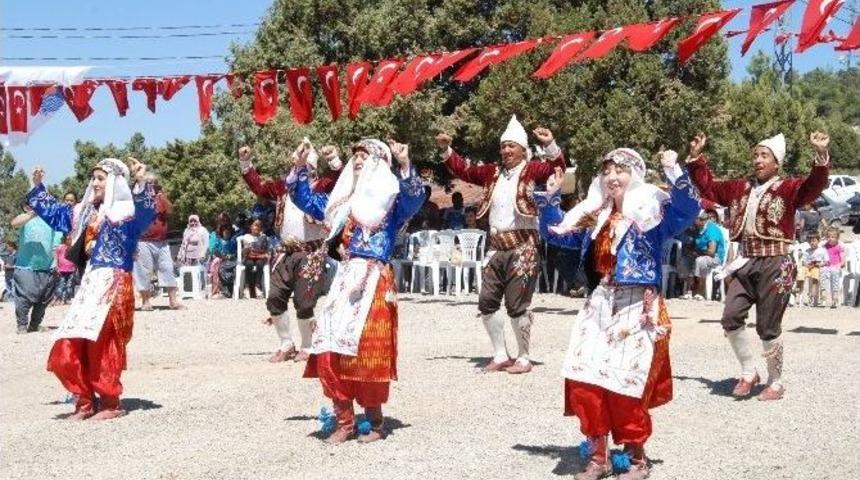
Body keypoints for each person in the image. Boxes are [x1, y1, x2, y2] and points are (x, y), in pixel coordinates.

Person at [538, 147, 699, 480]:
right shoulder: (595, 216)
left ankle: (637, 458)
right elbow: (558, 236)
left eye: (620, 171)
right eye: (607, 171)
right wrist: (549, 201)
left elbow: (689, 207)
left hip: (637, 303)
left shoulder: (654, 214)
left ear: (635, 176)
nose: (612, 177)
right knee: (585, 374)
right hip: (600, 300)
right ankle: (598, 457)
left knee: (625, 381)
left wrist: (674, 171)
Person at [288, 138, 425, 443]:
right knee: (329, 345)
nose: (360, 160)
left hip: (375, 278)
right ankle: (344, 421)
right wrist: (299, 167)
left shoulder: (392, 204)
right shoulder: (343, 203)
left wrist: (404, 163)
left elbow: (415, 197)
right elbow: (305, 199)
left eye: (368, 156)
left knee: (367, 349)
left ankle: (375, 422)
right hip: (346, 277)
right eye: (357, 156)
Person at [686, 131, 831, 401]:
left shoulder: (789, 188)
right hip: (746, 259)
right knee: (731, 316)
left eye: (764, 155)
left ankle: (776, 382)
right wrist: (696, 159)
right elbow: (709, 188)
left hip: (777, 263)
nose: (758, 160)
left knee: (768, 326)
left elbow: (815, 184)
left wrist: (821, 155)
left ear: (777, 162)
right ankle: (748, 371)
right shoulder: (740, 187)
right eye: (755, 155)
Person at [435, 115, 568, 374]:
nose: (507, 150)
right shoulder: (491, 173)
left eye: (512, 146)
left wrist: (550, 143)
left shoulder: (534, 169)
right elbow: (464, 170)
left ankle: (524, 356)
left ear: (523, 149)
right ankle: (500, 354)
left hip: (523, 246)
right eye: (504, 146)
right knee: (487, 301)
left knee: (517, 304)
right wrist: (445, 150)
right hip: (496, 246)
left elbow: (558, 166)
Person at [26, 158, 156, 420]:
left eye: (100, 178)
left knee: (101, 342)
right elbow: (56, 214)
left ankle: (110, 402)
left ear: (114, 182)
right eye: (93, 178)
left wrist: (141, 181)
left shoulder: (126, 212)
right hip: (90, 284)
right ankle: (84, 400)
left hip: (114, 282)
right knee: (70, 340)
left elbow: (146, 212)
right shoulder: (83, 212)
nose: (94, 183)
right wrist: (38, 186)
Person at [240, 141, 341, 362]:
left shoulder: (322, 186)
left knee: (305, 301)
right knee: (274, 298)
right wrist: (246, 162)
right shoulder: (281, 187)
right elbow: (258, 187)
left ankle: (307, 345)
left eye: (306, 163)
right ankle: (286, 343)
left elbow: (339, 180)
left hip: (311, 252)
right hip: (284, 252)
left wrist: (333, 158)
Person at [133, 177, 184, 311]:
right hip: (143, 241)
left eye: (154, 183)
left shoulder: (160, 198)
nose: (152, 186)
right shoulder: (139, 199)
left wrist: (163, 197)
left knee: (168, 269)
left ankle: (173, 301)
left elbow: (171, 210)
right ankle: (145, 301)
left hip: (162, 241)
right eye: (149, 183)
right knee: (143, 272)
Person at [10, 203, 61, 333]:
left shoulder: (52, 220)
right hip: (25, 266)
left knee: (43, 299)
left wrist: (57, 263)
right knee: (23, 297)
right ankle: (22, 325)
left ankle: (35, 324)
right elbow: (14, 223)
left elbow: (56, 244)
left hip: (48, 266)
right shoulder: (25, 217)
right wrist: (32, 214)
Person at [689, 210, 727, 300]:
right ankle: (689, 291)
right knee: (685, 260)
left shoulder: (711, 230)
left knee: (700, 261)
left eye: (694, 220)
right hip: (701, 254)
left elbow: (711, 252)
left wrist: (696, 253)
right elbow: (692, 244)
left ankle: (700, 292)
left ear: (701, 220)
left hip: (715, 258)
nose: (692, 222)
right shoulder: (697, 229)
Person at [239, 219, 270, 299]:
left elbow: (266, 249)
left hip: (260, 256)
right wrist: (246, 248)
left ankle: (258, 286)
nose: (256, 229)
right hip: (249, 256)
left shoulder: (263, 237)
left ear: (260, 228)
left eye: (258, 227)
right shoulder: (246, 237)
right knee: (249, 264)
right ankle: (246, 287)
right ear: (251, 227)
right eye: (254, 227)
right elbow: (243, 252)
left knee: (260, 264)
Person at [798, 232, 827, 306]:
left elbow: (826, 261)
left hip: (818, 268)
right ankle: (799, 287)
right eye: (810, 241)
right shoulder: (807, 251)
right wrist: (807, 265)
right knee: (801, 271)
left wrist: (820, 264)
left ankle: (814, 296)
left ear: (818, 241)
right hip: (809, 268)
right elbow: (803, 261)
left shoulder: (822, 250)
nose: (812, 243)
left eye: (814, 241)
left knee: (816, 277)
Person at [820, 226, 846, 308]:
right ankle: (823, 297)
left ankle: (835, 299)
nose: (830, 239)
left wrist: (838, 265)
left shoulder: (839, 247)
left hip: (835, 267)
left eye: (833, 237)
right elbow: (821, 257)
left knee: (834, 276)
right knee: (823, 274)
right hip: (826, 267)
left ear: (837, 238)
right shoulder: (824, 246)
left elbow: (843, 261)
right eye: (828, 237)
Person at [54, 234, 77, 305]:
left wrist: (76, 267)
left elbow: (75, 258)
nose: (69, 241)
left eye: (70, 239)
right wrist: (56, 266)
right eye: (67, 239)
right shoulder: (60, 247)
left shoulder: (73, 248)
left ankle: (67, 298)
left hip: (71, 269)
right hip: (62, 270)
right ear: (64, 240)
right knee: (60, 285)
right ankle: (58, 299)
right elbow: (56, 257)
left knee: (69, 285)